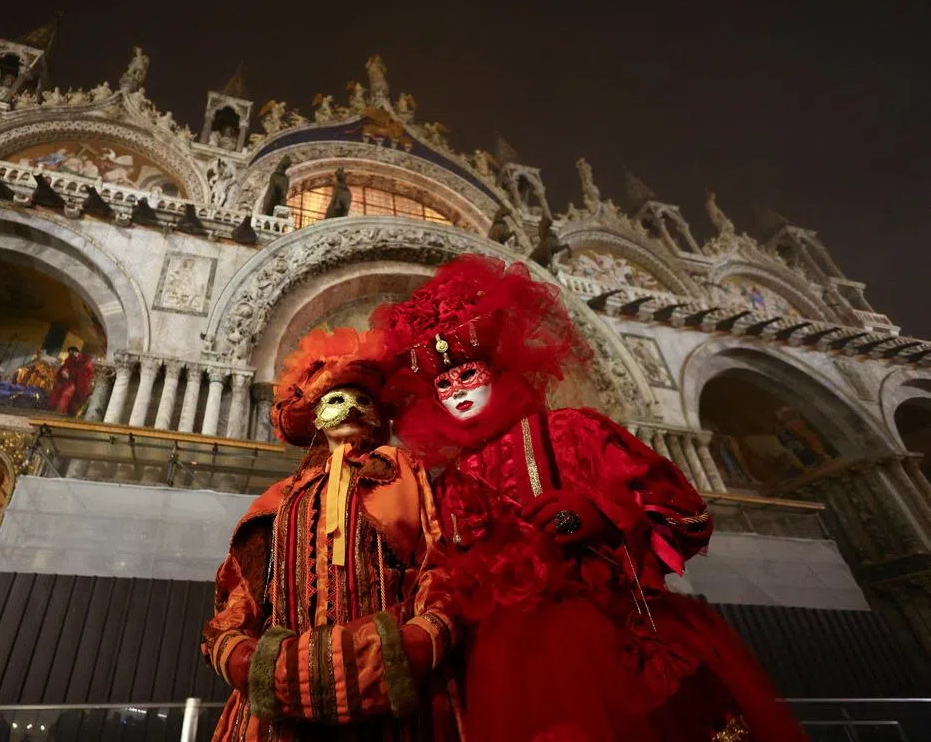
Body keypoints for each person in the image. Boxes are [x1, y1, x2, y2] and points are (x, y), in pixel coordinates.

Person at [372, 255, 807, 742]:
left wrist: (604, 514)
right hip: (501, 662)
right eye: (444, 383)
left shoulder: (571, 431)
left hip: (608, 636)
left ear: (496, 369)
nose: (457, 393)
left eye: (467, 373)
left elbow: (685, 514)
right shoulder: (448, 478)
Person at [201, 327, 460, 742]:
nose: (351, 409)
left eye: (363, 400)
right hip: (283, 710)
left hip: (393, 704)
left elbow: (437, 565)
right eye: (336, 400)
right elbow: (241, 598)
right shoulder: (279, 498)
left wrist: (407, 648)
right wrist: (252, 664)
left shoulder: (402, 474)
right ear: (316, 415)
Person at [49, 346, 95, 416]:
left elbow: (86, 370)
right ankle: (61, 411)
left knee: (68, 395)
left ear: (76, 351)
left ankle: (64, 412)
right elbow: (65, 367)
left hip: (79, 382)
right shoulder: (70, 359)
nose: (71, 355)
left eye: (72, 353)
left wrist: (71, 373)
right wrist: (64, 372)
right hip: (69, 381)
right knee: (64, 394)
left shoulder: (86, 359)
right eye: (70, 353)